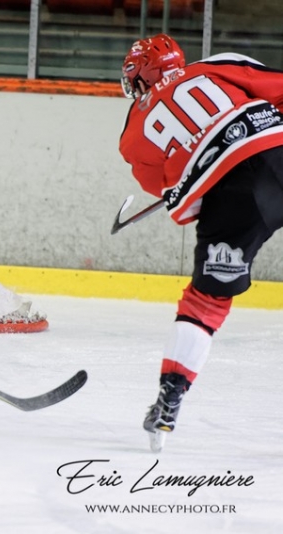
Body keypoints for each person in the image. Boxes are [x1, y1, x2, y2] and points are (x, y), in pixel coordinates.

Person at [119, 34, 283, 450]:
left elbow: (182, 204)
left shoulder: (134, 136)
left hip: (233, 199)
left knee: (205, 304)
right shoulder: (215, 65)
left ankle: (169, 400)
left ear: (139, 78)